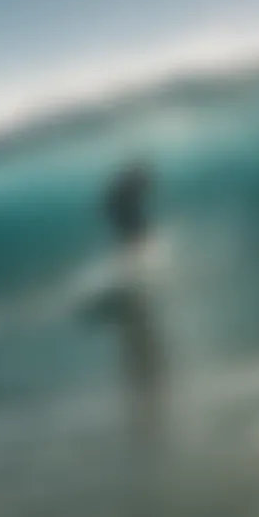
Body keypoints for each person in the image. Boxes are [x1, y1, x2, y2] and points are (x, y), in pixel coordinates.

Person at [104, 161, 163, 441]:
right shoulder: (127, 186)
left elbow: (116, 206)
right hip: (120, 212)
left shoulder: (128, 186)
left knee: (136, 240)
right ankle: (131, 276)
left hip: (120, 211)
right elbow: (117, 207)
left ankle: (130, 274)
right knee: (136, 239)